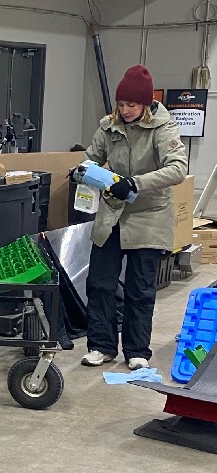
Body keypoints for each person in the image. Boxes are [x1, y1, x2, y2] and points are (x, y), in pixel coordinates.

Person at [80, 64, 187, 370]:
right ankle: (101, 346)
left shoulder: (164, 128)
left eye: (132, 105)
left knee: (140, 288)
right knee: (100, 284)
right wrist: (82, 171)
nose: (125, 110)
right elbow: (91, 157)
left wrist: (136, 183)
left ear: (146, 104)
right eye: (122, 104)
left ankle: (137, 350)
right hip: (112, 215)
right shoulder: (109, 126)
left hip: (149, 215)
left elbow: (178, 168)